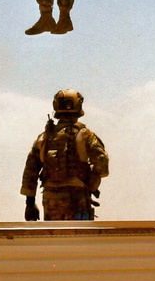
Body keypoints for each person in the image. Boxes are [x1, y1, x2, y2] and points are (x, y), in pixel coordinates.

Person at [21, 89, 109, 220]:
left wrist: (30, 204)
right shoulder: (85, 135)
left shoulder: (44, 137)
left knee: (55, 238)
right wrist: (91, 184)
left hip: (51, 201)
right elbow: (102, 163)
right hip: (77, 200)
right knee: (79, 238)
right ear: (78, 106)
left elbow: (30, 172)